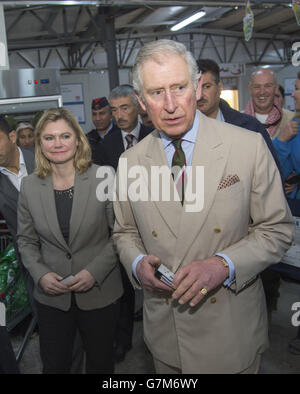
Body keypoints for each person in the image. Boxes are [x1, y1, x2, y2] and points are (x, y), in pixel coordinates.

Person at [112, 39, 294, 374]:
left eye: (179, 87)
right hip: (167, 337)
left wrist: (224, 265)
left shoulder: (246, 146)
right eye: (156, 93)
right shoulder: (130, 162)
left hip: (230, 333)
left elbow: (278, 229)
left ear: (197, 87)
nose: (170, 105)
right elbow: (124, 231)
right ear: (140, 100)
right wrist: (138, 264)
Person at [17, 107, 123, 374]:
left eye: (65, 136)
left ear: (78, 139)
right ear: (40, 143)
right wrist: (41, 275)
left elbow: (121, 233)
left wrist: (93, 272)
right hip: (52, 296)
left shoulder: (103, 176)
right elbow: (26, 241)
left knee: (101, 364)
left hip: (99, 291)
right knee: (55, 365)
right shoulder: (30, 186)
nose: (58, 144)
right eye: (49, 138)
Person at [94, 85, 152, 363]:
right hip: (124, 227)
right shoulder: (106, 147)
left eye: (124, 107)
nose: (118, 115)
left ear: (138, 106)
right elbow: (104, 193)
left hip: (159, 225)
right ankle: (124, 339)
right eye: (114, 110)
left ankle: (158, 340)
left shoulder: (158, 137)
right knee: (126, 288)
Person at [196, 59, 281, 173]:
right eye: (195, 87)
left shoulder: (250, 128)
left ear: (219, 86)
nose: (200, 95)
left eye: (206, 86)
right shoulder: (178, 131)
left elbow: (271, 177)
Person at [245, 68, 294, 139]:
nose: (262, 92)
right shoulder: (237, 122)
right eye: (257, 87)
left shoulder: (291, 119)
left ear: (276, 88)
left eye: (268, 86)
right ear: (250, 89)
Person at [273, 72, 300, 199]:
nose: (293, 94)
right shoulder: (294, 127)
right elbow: (275, 171)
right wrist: (282, 141)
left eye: (297, 89)